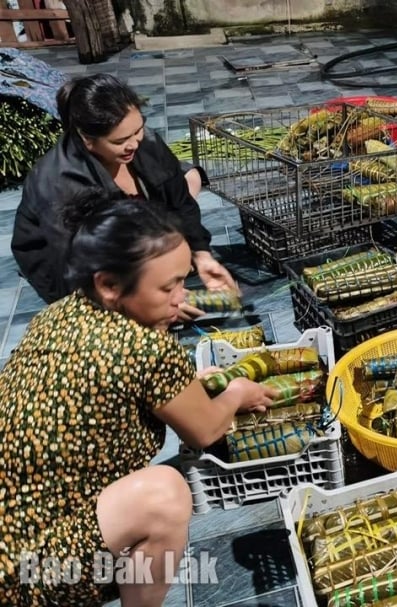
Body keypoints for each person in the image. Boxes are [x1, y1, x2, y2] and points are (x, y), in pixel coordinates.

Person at [0, 190, 275, 606]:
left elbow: (115, 381)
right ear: (109, 285)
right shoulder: (146, 350)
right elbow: (204, 431)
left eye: (184, 280)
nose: (183, 297)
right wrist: (236, 392)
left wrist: (189, 381)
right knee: (164, 495)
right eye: (169, 287)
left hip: (14, 534)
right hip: (29, 571)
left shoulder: (58, 313)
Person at [12, 73, 236, 316]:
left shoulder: (144, 140)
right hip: (65, 262)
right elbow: (79, 270)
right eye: (120, 141)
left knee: (189, 177)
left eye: (137, 129)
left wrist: (202, 254)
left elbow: (180, 201)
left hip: (130, 221)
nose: (134, 143)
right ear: (88, 140)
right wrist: (147, 302)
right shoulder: (59, 183)